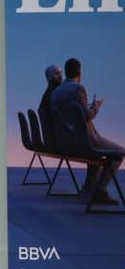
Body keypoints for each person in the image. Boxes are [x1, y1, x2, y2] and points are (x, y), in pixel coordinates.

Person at [51, 57, 125, 205]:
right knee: (120, 152)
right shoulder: (79, 88)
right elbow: (86, 115)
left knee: (98, 154)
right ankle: (100, 191)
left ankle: (89, 188)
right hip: (84, 141)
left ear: (66, 72)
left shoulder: (56, 92)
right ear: (79, 72)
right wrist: (96, 107)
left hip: (68, 142)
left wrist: (87, 108)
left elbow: (75, 113)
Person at [37, 64, 62, 151]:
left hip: (50, 142)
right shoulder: (57, 94)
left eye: (61, 73)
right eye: (57, 73)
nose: (61, 76)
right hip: (60, 142)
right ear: (50, 78)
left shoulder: (46, 95)